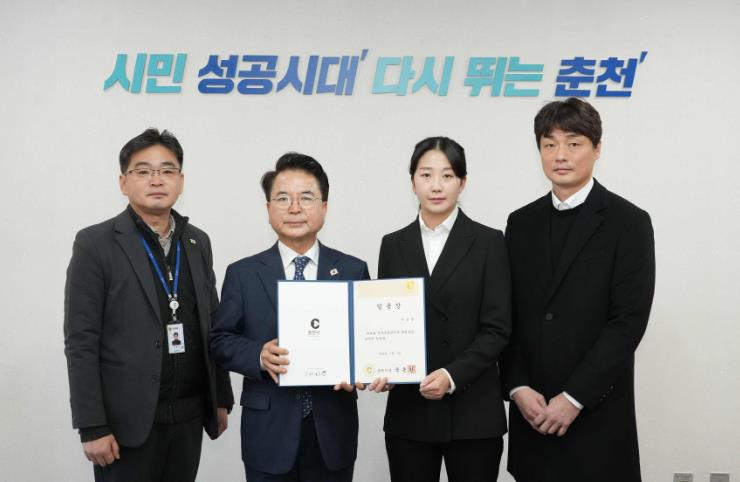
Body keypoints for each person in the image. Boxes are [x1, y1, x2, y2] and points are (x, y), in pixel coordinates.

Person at [63, 128, 234, 482]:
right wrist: (92, 425)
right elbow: (81, 340)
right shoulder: (95, 243)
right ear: (123, 182)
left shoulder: (197, 241)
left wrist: (220, 397)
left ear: (181, 181)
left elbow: (212, 322)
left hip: (188, 418)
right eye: (143, 171)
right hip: (126, 425)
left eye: (167, 170)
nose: (157, 180)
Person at [502, 98, 656, 482]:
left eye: (573, 143)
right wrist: (517, 386)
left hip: (597, 414)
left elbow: (628, 322)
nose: (560, 155)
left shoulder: (629, 222)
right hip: (533, 414)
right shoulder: (520, 223)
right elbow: (507, 313)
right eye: (549, 144)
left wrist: (574, 398)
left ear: (597, 148)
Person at [210, 153, 370, 482]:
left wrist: (364, 370)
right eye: (283, 198)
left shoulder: (352, 270)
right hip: (268, 430)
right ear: (269, 208)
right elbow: (220, 340)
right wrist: (258, 355)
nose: (294, 208)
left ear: (324, 207)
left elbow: (367, 342)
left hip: (333, 429)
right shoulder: (243, 273)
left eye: (306, 198)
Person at [374, 136, 511, 482]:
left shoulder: (489, 242)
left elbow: (497, 328)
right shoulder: (392, 244)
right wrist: (380, 367)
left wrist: (451, 376)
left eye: (447, 176)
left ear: (462, 182)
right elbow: (385, 323)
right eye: (426, 175)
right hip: (410, 411)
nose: (436, 186)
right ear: (412, 182)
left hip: (473, 413)